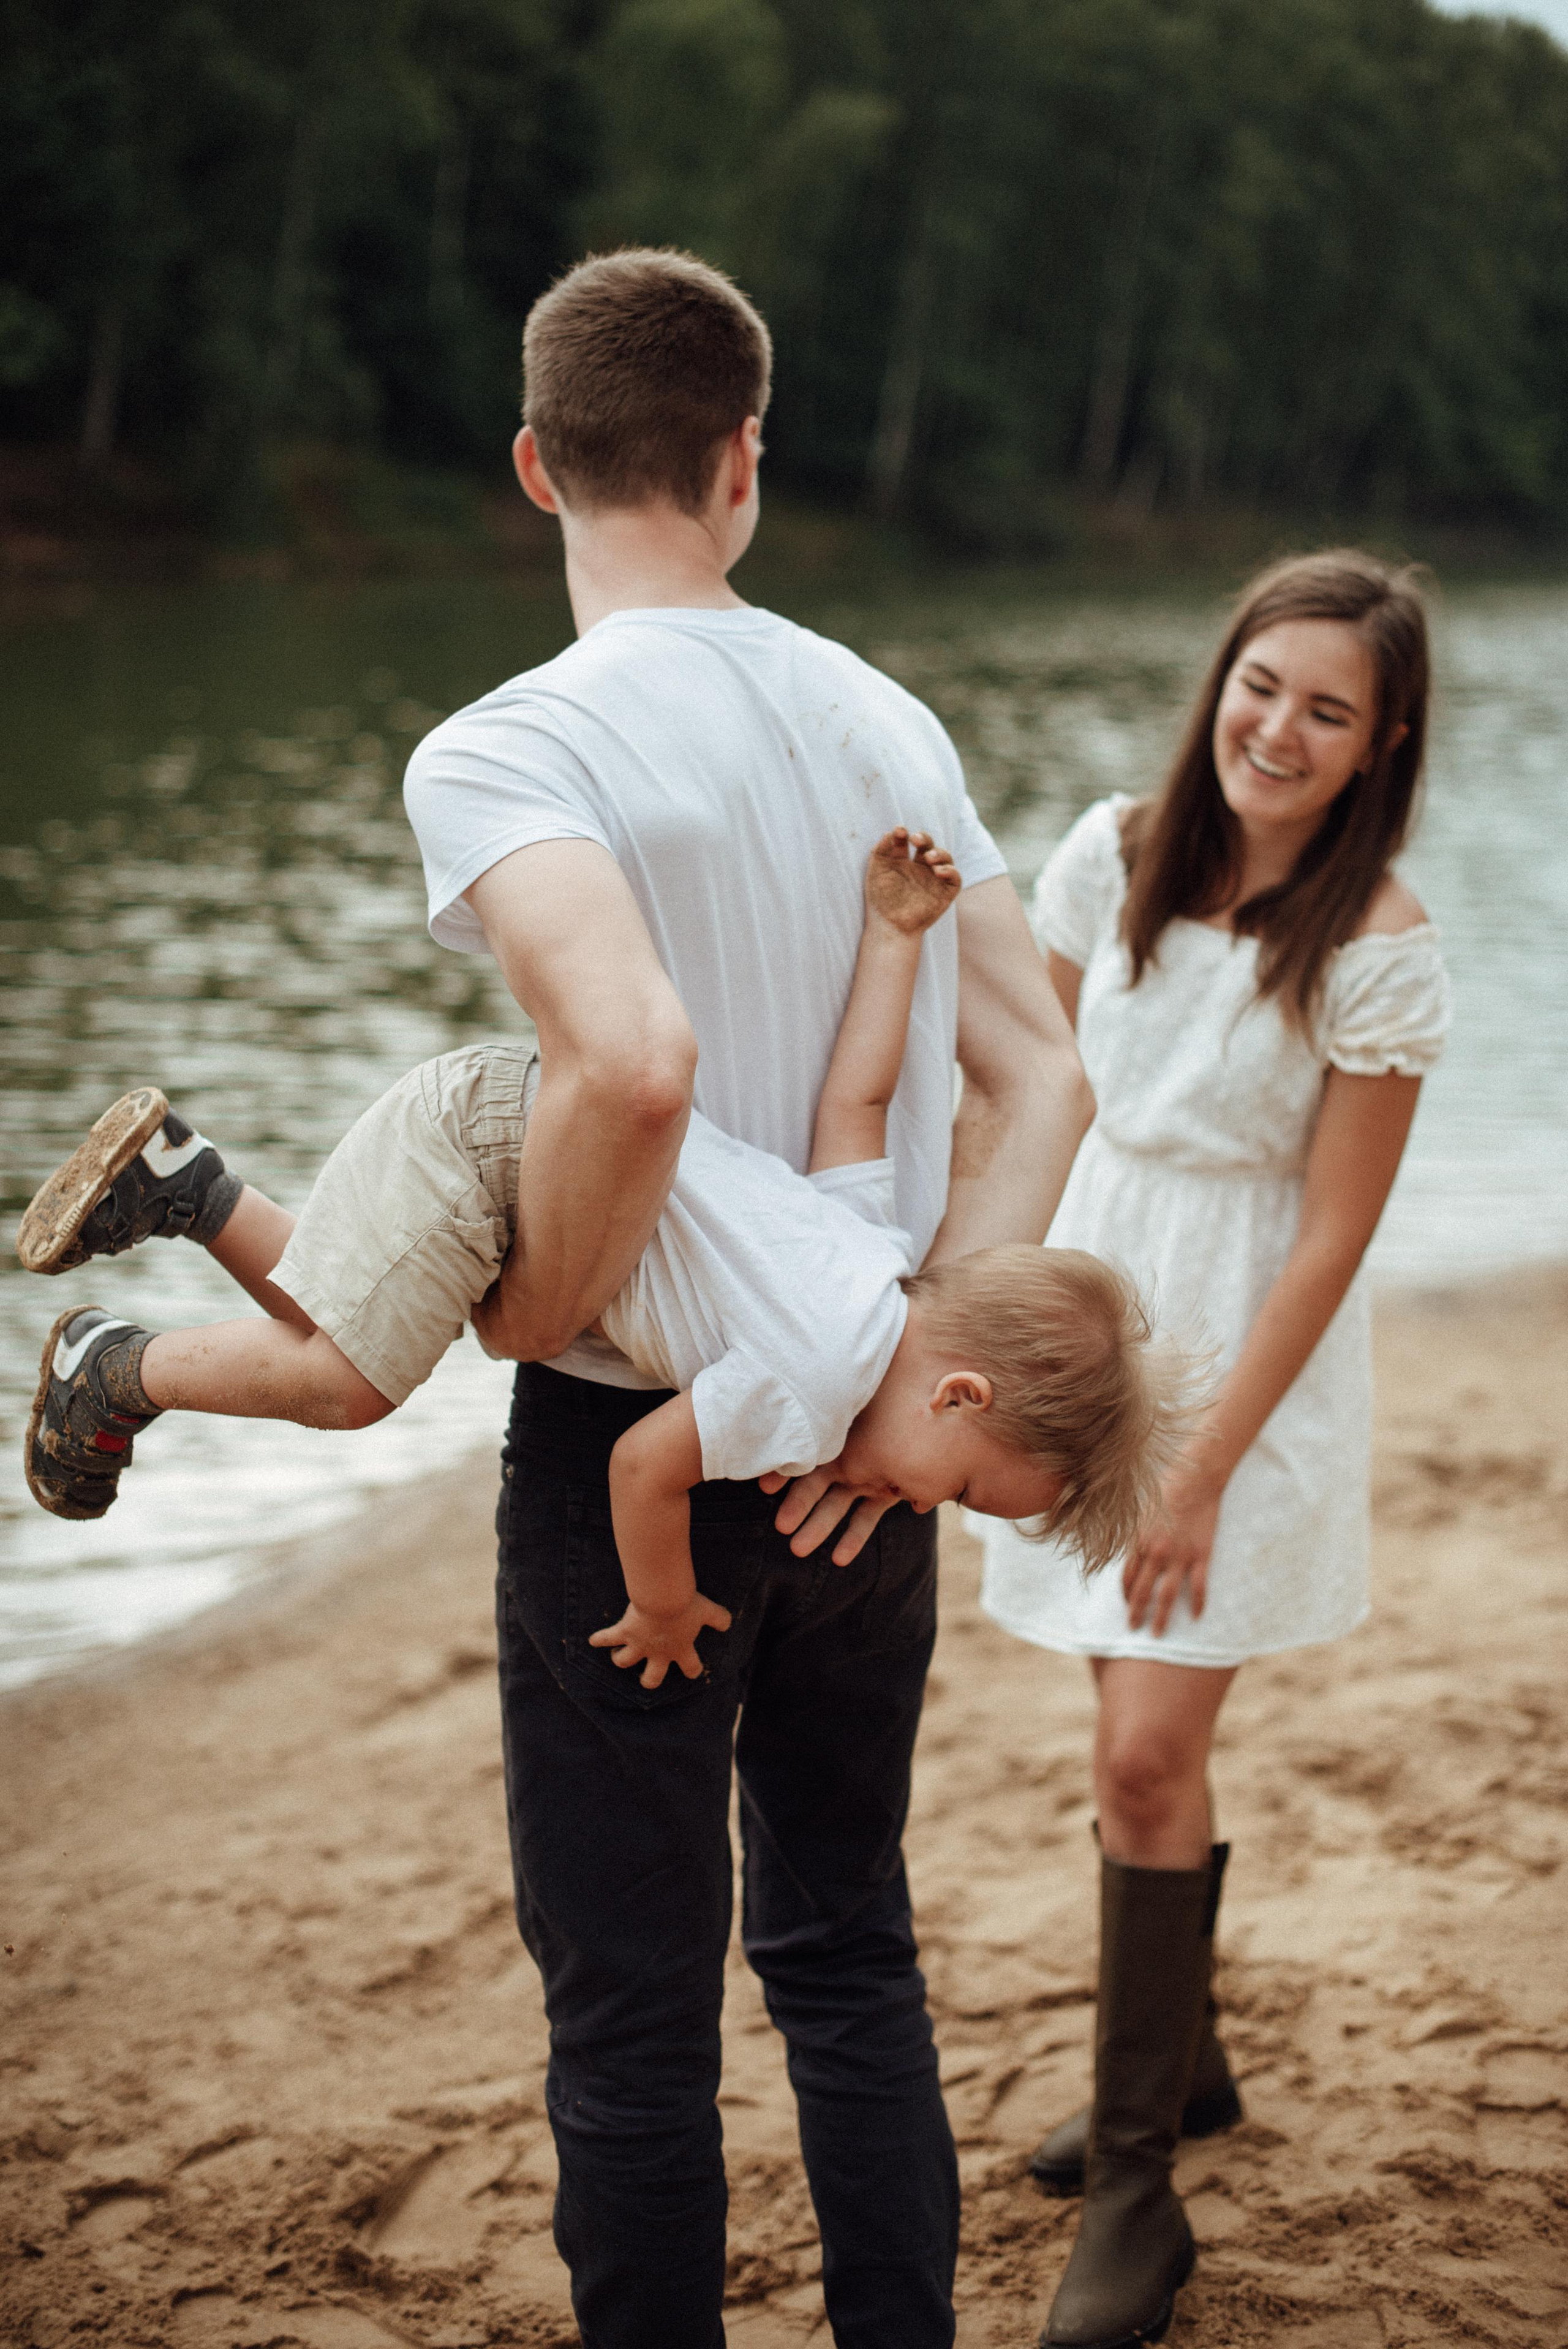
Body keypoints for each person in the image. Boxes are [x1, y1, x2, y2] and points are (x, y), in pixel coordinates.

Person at [25, 248, 1089, 2348]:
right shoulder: (887, 713)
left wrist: (551, 1312)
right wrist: (925, 1363)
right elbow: (1043, 1070)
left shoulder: (508, 749)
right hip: (882, 1440)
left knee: (628, 2017)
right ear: (747, 462)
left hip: (648, 1445)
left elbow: (634, 1062)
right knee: (849, 1951)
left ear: (531, 465)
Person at [20, 828, 1173, 1707]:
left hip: (525, 1129)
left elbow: (855, 1095)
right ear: (960, 1392)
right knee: (352, 1384)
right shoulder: (814, 1391)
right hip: (505, 1154)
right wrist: (664, 1603)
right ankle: (117, 1363)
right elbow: (642, 1468)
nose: (925, 1506)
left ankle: (184, 1186)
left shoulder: (872, 1260)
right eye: (962, 1487)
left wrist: (894, 935)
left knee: (358, 1322)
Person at [978, 550, 1450, 2349]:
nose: (1280, 728)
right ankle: (1187, 2070)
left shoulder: (1383, 948)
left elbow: (1330, 1239)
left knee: (1147, 1748)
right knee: (1122, 1725)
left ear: (1375, 744)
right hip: (1094, 1311)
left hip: (1247, 1361)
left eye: (1327, 711)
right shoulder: (1112, 855)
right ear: (1223, 678)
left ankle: (1132, 2190)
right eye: (1264, 686)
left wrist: (1199, 1469)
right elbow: (1025, 1078)